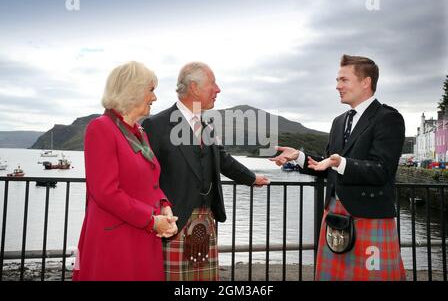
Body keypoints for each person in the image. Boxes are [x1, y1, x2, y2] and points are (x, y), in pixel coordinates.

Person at [270, 54, 406, 281]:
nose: (337, 86)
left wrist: (340, 162)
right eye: (337, 80)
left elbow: (382, 170)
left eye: (343, 80)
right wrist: (299, 157)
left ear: (366, 82)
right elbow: (327, 163)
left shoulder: (388, 118)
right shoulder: (339, 121)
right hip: (334, 216)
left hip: (369, 217)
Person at [142, 62, 270, 280]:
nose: (218, 90)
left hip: (206, 220)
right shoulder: (156, 125)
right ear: (194, 87)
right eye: (213, 84)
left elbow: (223, 160)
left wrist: (252, 178)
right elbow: (146, 177)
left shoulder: (206, 126)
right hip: (174, 223)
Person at [73, 61, 178, 281]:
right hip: (116, 242)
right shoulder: (101, 128)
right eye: (151, 90)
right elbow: (105, 192)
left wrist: (165, 207)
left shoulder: (139, 131)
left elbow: (152, 182)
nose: (154, 98)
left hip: (143, 235)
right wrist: (151, 220)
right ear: (134, 90)